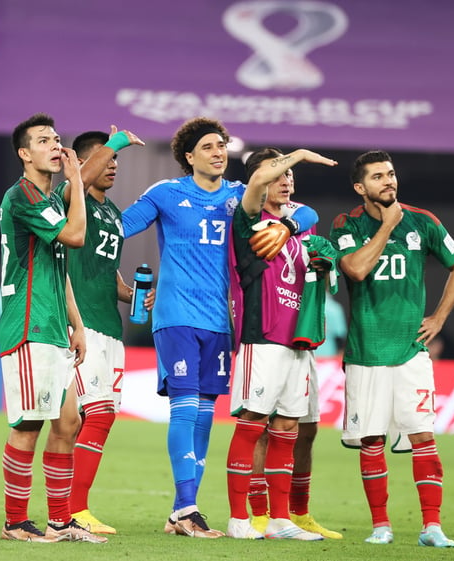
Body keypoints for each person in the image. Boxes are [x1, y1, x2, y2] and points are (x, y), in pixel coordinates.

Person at [121, 118, 316, 538]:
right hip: (176, 315)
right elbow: (116, 229)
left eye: (222, 145)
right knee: (186, 407)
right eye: (208, 146)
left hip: (222, 322)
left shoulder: (239, 197)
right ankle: (189, 508)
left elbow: (305, 210)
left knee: (207, 414)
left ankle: (180, 512)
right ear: (189, 157)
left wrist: (289, 224)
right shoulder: (166, 194)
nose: (218, 152)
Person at [329, 150, 454, 547]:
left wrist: (439, 317)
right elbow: (354, 269)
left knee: (423, 435)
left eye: (390, 174)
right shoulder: (347, 224)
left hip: (411, 351)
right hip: (366, 352)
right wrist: (387, 228)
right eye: (377, 177)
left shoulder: (423, 221)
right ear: (361, 187)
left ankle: (432, 527)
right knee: (371, 441)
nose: (388, 181)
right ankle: (381, 527)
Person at [0, 113, 107, 543]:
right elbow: (76, 237)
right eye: (44, 140)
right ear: (25, 154)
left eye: (56, 138)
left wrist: (76, 323)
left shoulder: (50, 199)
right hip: (29, 323)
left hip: (54, 325)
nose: (54, 144)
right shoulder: (23, 194)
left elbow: (59, 269)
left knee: (68, 423)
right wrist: (78, 180)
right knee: (29, 424)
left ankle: (60, 521)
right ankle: (15, 522)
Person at [223, 148, 337, 540]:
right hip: (263, 336)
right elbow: (255, 187)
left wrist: (322, 262)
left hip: (297, 342)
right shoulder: (248, 221)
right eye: (278, 175)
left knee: (288, 425)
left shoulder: (296, 227)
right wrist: (299, 153)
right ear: (258, 181)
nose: (286, 180)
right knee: (253, 421)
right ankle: (239, 518)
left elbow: (311, 219)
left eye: (290, 176)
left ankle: (279, 518)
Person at [64, 129, 149, 535]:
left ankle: (74, 508)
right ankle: (73, 510)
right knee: (90, 415)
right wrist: (115, 142)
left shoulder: (112, 213)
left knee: (102, 416)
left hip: (110, 329)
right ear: (84, 163)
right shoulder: (68, 200)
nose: (114, 164)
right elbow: (76, 179)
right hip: (79, 326)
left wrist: (132, 293)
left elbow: (107, 271)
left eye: (116, 159)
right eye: (105, 157)